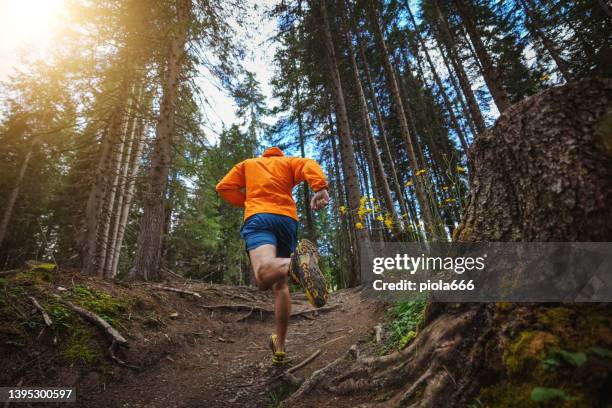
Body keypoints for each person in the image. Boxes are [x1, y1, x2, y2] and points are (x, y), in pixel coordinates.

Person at [215, 146, 330, 365]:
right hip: (287, 221)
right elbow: (308, 164)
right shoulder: (288, 163)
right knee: (280, 286)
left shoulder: (248, 164)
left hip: (259, 218)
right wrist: (320, 187)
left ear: (265, 154)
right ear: (278, 154)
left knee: (263, 274)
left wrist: (247, 201)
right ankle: (280, 347)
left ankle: (295, 263)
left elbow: (224, 187)